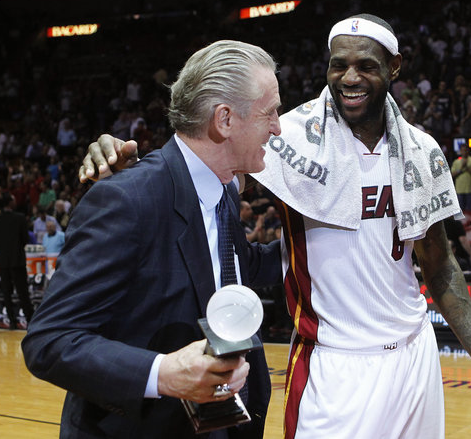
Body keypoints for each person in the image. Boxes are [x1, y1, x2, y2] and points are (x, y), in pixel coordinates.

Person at [80, 15, 471, 438]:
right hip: (334, 363)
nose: (349, 77)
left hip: (415, 358)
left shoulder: (421, 149)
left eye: (366, 66)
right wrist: (132, 169)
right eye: (339, 64)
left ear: (394, 67)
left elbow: (440, 262)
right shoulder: (289, 138)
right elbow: (204, 169)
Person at [22, 40, 283, 439]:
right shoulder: (126, 198)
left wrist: (319, 247)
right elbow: (49, 340)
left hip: (216, 421)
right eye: (270, 112)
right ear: (225, 119)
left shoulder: (225, 190)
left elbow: (233, 265)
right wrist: (164, 374)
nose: (277, 126)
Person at [0, 192, 35, 329]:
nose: (15, 202)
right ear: (9, 203)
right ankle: (31, 321)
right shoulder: (19, 218)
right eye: (13, 200)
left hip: (4, 261)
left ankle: (12, 322)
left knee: (7, 293)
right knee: (23, 293)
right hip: (18, 260)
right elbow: (26, 239)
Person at [451, 143, 471, 210]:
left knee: (470, 211)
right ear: (460, 151)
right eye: (463, 150)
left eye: (466, 150)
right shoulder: (456, 162)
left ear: (468, 151)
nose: (464, 152)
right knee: (460, 211)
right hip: (459, 190)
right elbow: (452, 175)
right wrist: (461, 168)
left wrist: (467, 168)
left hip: (470, 190)